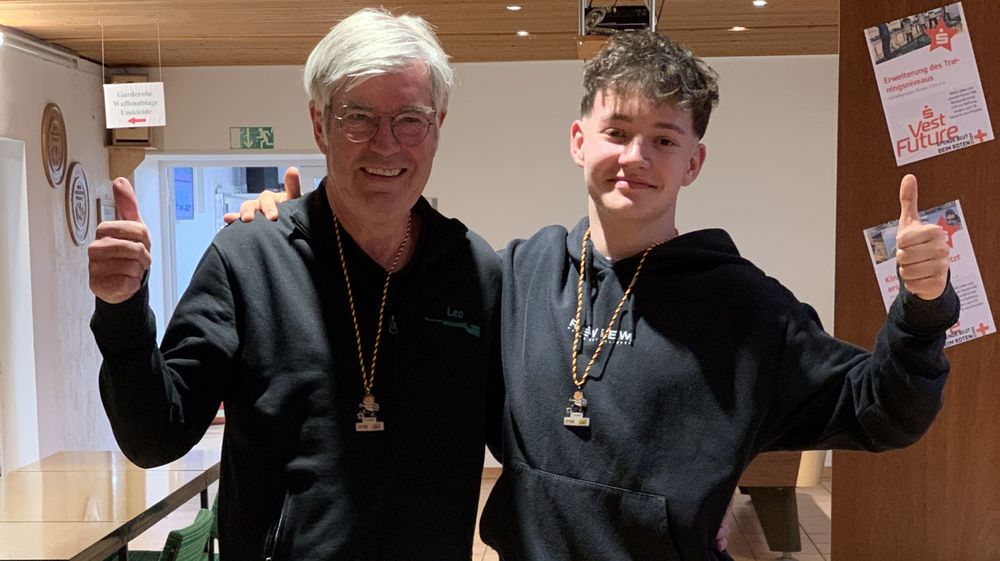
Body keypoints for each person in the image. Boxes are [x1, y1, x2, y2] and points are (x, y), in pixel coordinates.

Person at [240, 29, 957, 561]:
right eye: (617, 131)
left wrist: (922, 308)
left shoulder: (746, 307)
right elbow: (396, 315)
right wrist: (302, 226)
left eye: (664, 139)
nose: (635, 157)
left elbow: (882, 411)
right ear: (579, 140)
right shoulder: (517, 274)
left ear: (694, 161)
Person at [88, 9, 503, 560]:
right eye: (358, 117)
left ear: (438, 125)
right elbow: (154, 437)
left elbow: (528, 441)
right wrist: (122, 310)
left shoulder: (473, 270)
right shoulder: (248, 260)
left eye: (411, 118)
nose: (386, 144)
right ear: (319, 123)